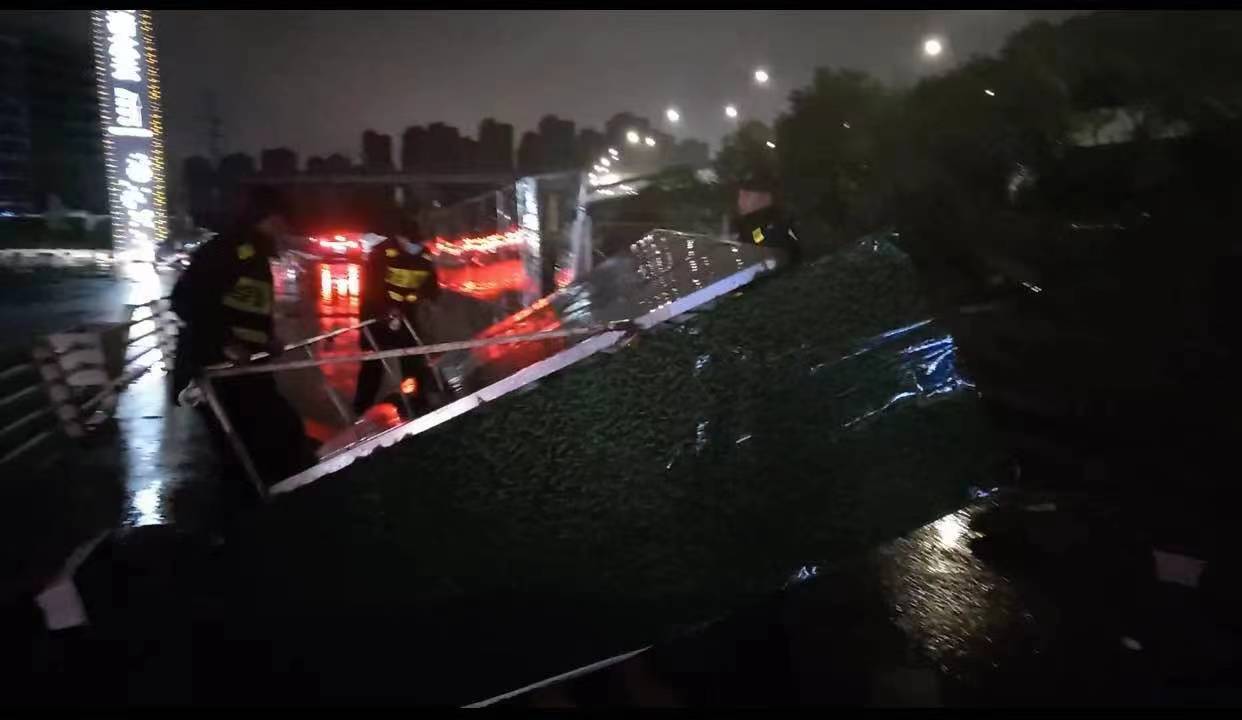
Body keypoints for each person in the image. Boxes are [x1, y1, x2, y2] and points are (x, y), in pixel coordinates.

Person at [170, 186, 316, 498]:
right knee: (245, 446)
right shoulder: (229, 250)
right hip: (217, 368)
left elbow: (248, 312)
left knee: (277, 432)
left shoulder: (256, 256)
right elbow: (186, 301)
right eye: (282, 222)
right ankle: (245, 510)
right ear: (268, 219)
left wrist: (268, 341)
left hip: (247, 367)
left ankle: (268, 496)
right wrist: (226, 343)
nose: (285, 230)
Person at [353, 213, 441, 417]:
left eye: (416, 243)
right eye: (409, 242)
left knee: (413, 360)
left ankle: (418, 403)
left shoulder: (423, 256)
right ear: (400, 238)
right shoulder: (382, 253)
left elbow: (432, 288)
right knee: (374, 363)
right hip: (377, 318)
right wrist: (386, 310)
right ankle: (361, 410)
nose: (413, 247)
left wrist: (423, 297)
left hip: (406, 316)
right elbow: (371, 289)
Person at [734, 171, 802, 265]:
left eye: (747, 195)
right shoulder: (750, 226)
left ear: (765, 198)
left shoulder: (778, 225)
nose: (741, 201)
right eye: (740, 196)